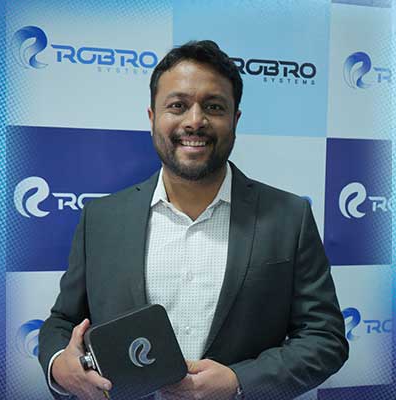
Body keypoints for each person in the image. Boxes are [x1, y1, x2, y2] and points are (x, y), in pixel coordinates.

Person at [38, 40, 348, 400]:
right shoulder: (102, 219)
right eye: (178, 106)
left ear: (235, 120)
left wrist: (239, 382)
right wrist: (60, 365)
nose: (195, 121)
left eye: (214, 106)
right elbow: (63, 322)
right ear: (152, 117)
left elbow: (324, 339)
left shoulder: (289, 218)